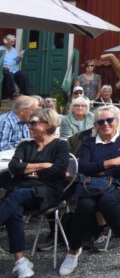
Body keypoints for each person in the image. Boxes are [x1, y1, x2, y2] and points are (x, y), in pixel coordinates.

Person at [59, 105, 120, 275]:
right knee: (85, 205)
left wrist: (99, 170)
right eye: (101, 121)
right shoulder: (89, 142)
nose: (105, 124)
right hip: (93, 186)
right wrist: (109, 163)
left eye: (109, 120)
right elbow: (83, 167)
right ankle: (73, 250)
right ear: (95, 125)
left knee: (107, 201)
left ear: (117, 121)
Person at [2, 108, 69, 278]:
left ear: (48, 124)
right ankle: (20, 262)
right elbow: (13, 167)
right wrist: (42, 166)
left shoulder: (61, 145)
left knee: (15, 195)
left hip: (47, 192)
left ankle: (21, 262)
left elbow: (58, 170)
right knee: (14, 211)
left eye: (33, 123)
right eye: (28, 123)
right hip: (23, 190)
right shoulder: (25, 145)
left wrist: (27, 170)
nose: (29, 126)